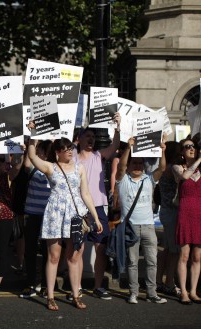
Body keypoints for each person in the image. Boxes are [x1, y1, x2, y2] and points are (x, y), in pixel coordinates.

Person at [26, 125, 102, 311]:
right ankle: (50, 296)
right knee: (53, 256)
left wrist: (96, 217)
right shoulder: (50, 167)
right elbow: (32, 156)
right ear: (58, 152)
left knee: (74, 256)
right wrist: (33, 134)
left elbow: (85, 193)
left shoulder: (80, 168)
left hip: (76, 214)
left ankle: (76, 294)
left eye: (71, 148)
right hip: (55, 213)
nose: (70, 151)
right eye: (66, 149)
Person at [74, 114, 121, 301]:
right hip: (78, 208)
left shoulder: (98, 156)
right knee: (77, 249)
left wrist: (118, 127)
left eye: (93, 136)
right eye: (88, 136)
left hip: (99, 207)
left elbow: (115, 146)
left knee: (100, 248)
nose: (91, 139)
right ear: (79, 139)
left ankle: (98, 286)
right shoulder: (73, 158)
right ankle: (76, 287)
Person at [116, 136, 167, 305]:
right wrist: (129, 148)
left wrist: (162, 150)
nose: (137, 166)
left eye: (140, 163)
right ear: (129, 165)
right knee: (132, 262)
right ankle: (133, 293)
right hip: (130, 227)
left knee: (152, 261)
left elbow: (162, 167)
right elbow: (121, 166)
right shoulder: (122, 180)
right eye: (134, 163)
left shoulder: (149, 179)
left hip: (148, 226)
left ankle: (152, 294)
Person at [0, 152, 22, 298]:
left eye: (1, 160)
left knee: (2, 252)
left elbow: (18, 166)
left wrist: (21, 150)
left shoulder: (8, 175)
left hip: (4, 216)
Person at [19, 140, 52, 299]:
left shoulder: (54, 168)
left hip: (49, 215)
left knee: (48, 252)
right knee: (30, 251)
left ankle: (46, 286)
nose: (42, 154)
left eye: (45, 151)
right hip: (31, 213)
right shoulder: (33, 167)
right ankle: (30, 284)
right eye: (40, 150)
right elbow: (27, 163)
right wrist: (34, 138)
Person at [173, 138, 201, 305]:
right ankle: (183, 291)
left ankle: (193, 290)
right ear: (182, 152)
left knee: (197, 256)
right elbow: (185, 176)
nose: (191, 149)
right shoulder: (178, 167)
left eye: (193, 146)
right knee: (184, 255)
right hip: (185, 212)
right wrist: (198, 159)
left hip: (200, 213)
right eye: (187, 147)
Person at [156, 141, 181, 297]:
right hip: (172, 212)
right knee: (174, 250)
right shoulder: (172, 169)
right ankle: (169, 283)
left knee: (167, 248)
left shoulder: (168, 168)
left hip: (165, 211)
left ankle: (159, 280)